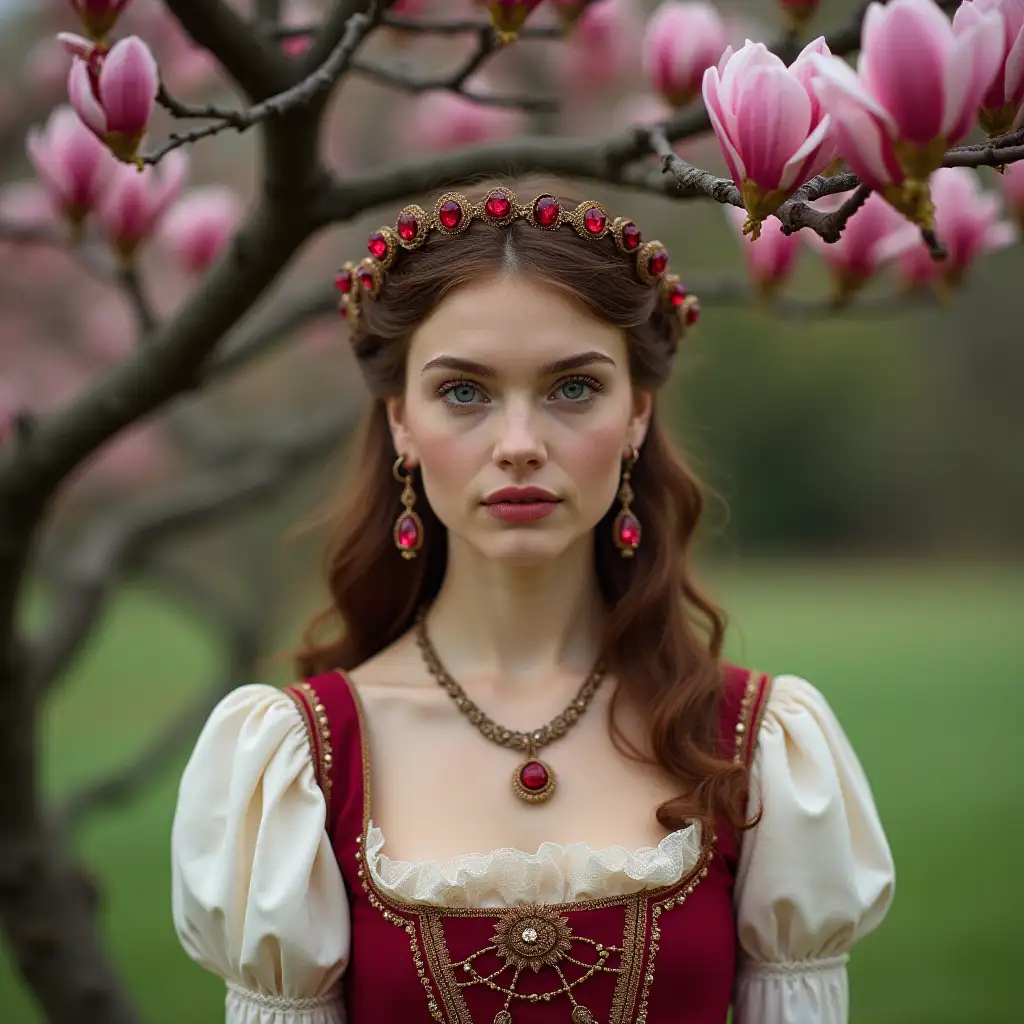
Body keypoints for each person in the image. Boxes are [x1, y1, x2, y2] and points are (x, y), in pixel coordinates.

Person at [170, 184, 895, 1024]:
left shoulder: (756, 745)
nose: (519, 445)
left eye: (574, 388)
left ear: (637, 414)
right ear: (401, 419)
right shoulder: (304, 761)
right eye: (465, 393)